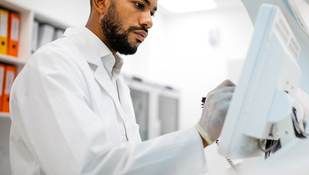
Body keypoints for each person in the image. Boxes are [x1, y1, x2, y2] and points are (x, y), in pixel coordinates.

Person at [9, 0, 235, 174]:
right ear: (101, 2)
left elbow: (129, 162)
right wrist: (199, 136)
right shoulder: (52, 66)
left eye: (153, 12)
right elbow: (89, 169)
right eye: (139, 5)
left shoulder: (116, 81)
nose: (149, 21)